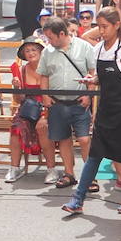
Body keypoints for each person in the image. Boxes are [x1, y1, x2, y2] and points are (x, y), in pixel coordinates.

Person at [61, 7, 121, 215]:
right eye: (99, 26)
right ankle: (78, 199)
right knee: (94, 155)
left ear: (117, 25)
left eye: (105, 26)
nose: (102, 31)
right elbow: (102, 76)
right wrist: (93, 80)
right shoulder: (98, 49)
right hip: (106, 109)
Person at [38, 15, 96, 190]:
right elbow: (44, 75)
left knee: (84, 139)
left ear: (62, 33)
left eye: (51, 37)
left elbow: (92, 72)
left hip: (79, 101)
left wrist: (89, 95)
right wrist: (45, 95)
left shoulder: (84, 47)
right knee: (63, 139)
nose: (49, 40)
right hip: (57, 102)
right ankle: (69, 173)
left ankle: (90, 177)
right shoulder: (47, 52)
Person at [4, 36, 50, 183]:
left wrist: (45, 113)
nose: (30, 53)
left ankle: (51, 168)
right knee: (16, 127)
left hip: (48, 107)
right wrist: (17, 87)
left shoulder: (49, 69)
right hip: (28, 109)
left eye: (34, 49)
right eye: (27, 50)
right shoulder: (22, 70)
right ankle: (14, 167)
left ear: (41, 51)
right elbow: (19, 100)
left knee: (43, 127)